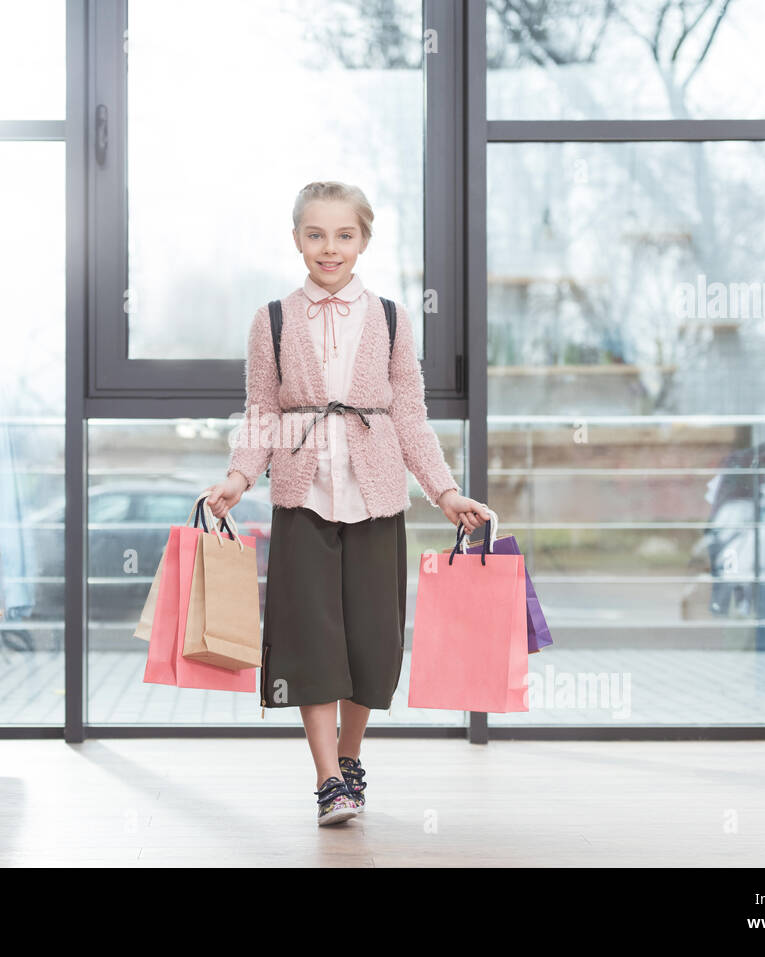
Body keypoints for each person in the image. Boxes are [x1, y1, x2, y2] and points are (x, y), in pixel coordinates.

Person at [203, 181, 488, 826]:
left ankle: (351, 757)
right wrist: (238, 478)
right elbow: (261, 411)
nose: (329, 249)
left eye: (343, 235)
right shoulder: (271, 319)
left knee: (372, 640)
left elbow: (411, 417)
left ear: (363, 239)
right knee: (311, 640)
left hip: (379, 495)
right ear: (297, 238)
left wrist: (443, 491)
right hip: (302, 496)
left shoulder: (390, 317)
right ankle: (329, 779)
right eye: (315, 234)